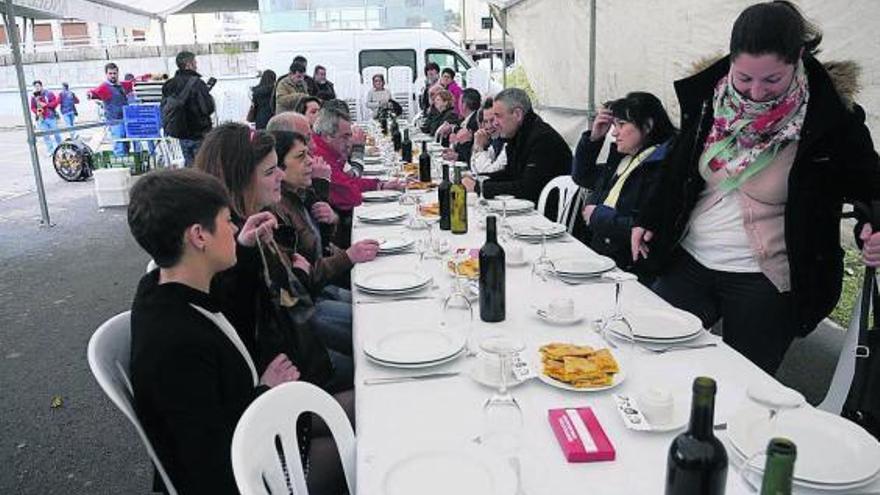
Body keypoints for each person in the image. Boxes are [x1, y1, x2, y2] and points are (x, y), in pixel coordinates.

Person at [631, 1, 880, 374]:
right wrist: (649, 215)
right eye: (744, 78)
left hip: (766, 281)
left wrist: (872, 227)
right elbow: (679, 165)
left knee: (742, 387)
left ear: (797, 58)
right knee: (651, 360)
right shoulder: (710, 98)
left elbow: (870, 186)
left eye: (772, 80)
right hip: (691, 260)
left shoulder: (830, 118)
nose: (756, 93)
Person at [127, 169, 304, 494]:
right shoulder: (174, 344)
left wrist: (245, 247)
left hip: (253, 436)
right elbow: (209, 460)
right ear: (199, 236)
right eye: (227, 221)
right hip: (248, 472)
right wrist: (263, 394)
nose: (235, 227)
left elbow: (227, 310)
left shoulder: (166, 288)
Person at [196, 123, 355, 395]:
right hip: (282, 367)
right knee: (370, 370)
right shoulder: (234, 244)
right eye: (271, 171)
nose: (281, 174)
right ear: (240, 180)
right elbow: (283, 301)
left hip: (289, 349)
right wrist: (262, 388)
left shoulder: (249, 226)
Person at [572, 92, 677, 282]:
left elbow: (646, 225)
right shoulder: (624, 158)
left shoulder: (660, 166)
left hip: (627, 267)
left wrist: (599, 216)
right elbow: (582, 176)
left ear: (648, 126)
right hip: (601, 253)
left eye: (621, 125)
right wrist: (594, 138)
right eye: (614, 126)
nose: (614, 133)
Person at [465, 88, 572, 209]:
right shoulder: (518, 135)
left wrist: (478, 187)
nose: (495, 123)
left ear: (517, 114)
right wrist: (478, 179)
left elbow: (527, 188)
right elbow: (510, 174)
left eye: (498, 116)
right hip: (530, 208)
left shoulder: (543, 139)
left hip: (547, 217)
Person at [161, 51, 215, 166]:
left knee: (190, 166)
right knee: (203, 166)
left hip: (180, 134)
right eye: (195, 62)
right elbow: (207, 108)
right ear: (188, 64)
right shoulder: (198, 83)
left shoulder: (169, 84)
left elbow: (164, 107)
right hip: (199, 133)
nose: (196, 66)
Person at [87, 63, 134, 156]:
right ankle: (121, 166)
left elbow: (132, 83)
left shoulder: (121, 85)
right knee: (119, 144)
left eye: (114, 73)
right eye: (110, 73)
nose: (113, 75)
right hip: (114, 121)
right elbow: (94, 92)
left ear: (118, 73)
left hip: (126, 119)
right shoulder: (104, 87)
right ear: (106, 74)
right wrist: (90, 94)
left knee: (126, 145)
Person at [440, 87, 481, 163]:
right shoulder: (466, 119)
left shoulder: (475, 123)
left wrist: (457, 155)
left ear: (464, 105)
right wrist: (453, 150)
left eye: (458, 101)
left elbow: (473, 152)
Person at [470, 98, 507, 174]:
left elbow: (487, 173)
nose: (489, 126)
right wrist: (477, 146)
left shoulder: (507, 142)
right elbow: (474, 169)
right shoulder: (494, 141)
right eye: (485, 121)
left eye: (492, 120)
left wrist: (480, 148)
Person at [29, 80, 62, 154]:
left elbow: (55, 103)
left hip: (50, 117)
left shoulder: (49, 93)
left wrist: (46, 105)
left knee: (56, 133)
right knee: (45, 136)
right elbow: (32, 107)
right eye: (35, 86)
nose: (36, 88)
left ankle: (60, 147)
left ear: (41, 86)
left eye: (38, 86)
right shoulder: (33, 96)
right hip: (41, 118)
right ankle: (50, 150)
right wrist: (36, 111)